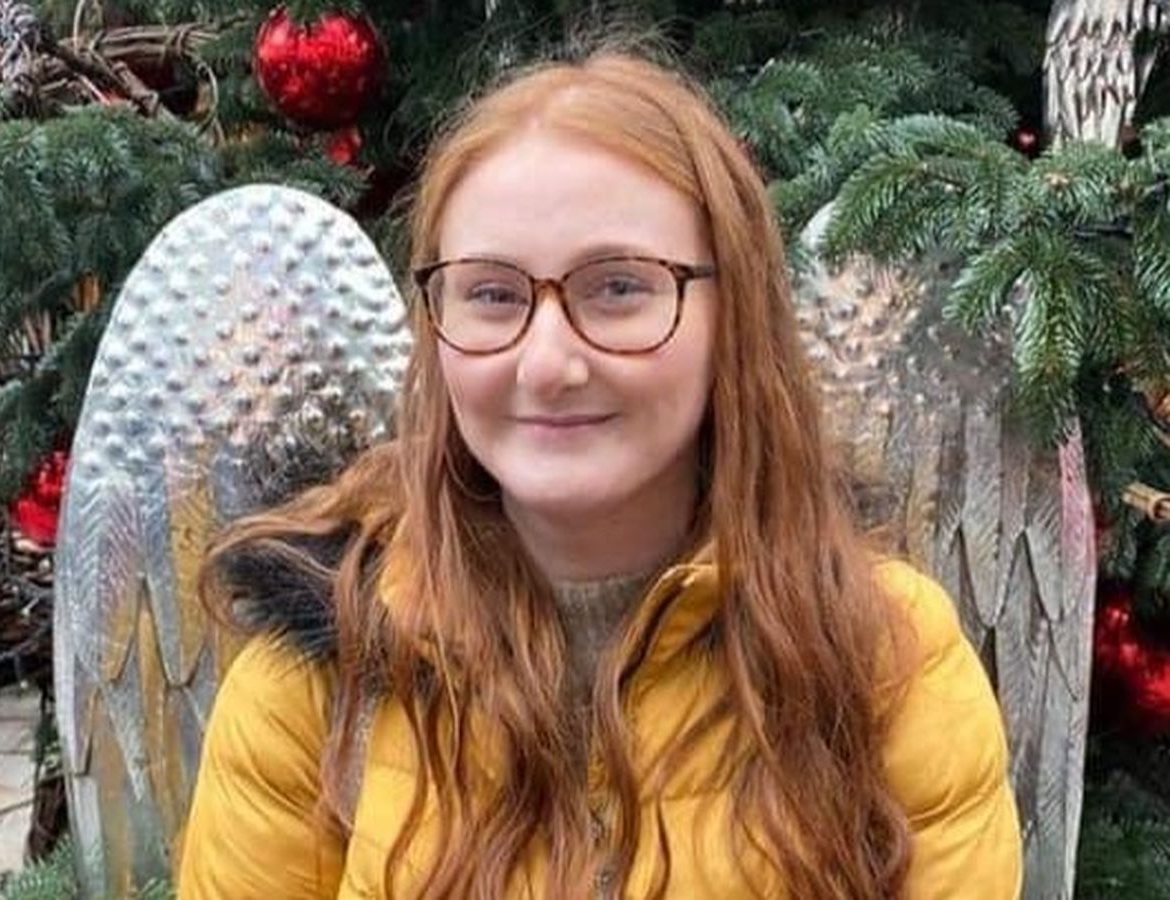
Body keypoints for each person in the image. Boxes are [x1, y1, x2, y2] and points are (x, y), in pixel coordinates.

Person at [177, 43, 1021, 900]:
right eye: (493, 293)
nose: (547, 364)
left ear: (734, 318)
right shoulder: (316, 688)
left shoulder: (886, 664)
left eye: (618, 288)